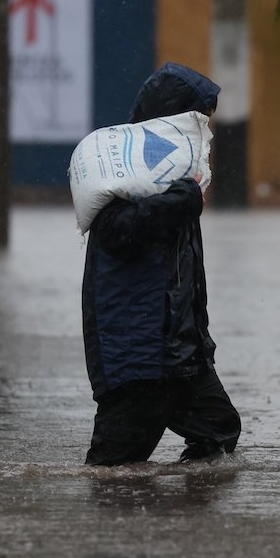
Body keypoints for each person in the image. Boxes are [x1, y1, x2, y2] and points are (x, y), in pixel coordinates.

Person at [81, 62, 242, 466]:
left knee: (218, 433)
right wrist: (180, 202)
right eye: (200, 122)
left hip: (182, 359)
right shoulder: (123, 175)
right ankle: (123, 526)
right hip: (139, 361)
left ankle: (182, 524)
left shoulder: (179, 181)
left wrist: (201, 348)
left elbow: (187, 280)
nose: (206, 135)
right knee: (112, 469)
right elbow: (118, 233)